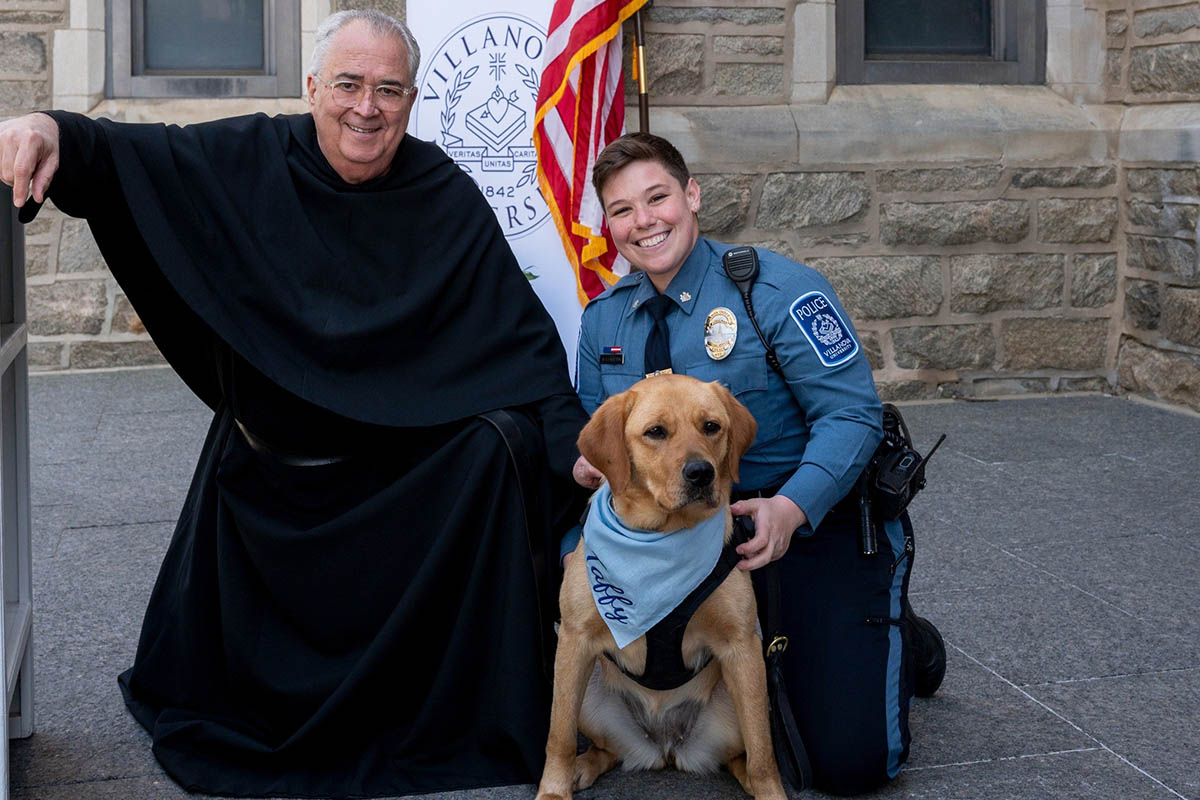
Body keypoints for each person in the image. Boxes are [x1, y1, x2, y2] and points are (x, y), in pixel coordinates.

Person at [0, 10, 588, 798]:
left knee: (504, 442)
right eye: (348, 84)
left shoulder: (444, 193)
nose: (366, 108)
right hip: (280, 470)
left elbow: (518, 345)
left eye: (388, 90)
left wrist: (576, 451)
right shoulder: (250, 156)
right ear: (312, 88)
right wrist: (48, 127)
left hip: (403, 472)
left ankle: (446, 701)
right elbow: (131, 156)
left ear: (413, 101)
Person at [566, 132, 946, 796]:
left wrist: (790, 508)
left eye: (658, 198)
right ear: (609, 225)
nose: (644, 221)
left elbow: (852, 416)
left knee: (848, 765)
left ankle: (901, 638)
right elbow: (600, 439)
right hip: (669, 540)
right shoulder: (606, 320)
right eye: (622, 210)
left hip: (793, 526)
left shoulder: (773, 291)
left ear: (692, 195)